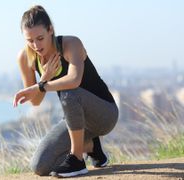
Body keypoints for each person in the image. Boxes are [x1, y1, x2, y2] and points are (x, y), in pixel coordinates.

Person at [13, 5, 119, 178]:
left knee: (70, 92)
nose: (36, 45)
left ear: (50, 30)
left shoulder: (71, 44)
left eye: (40, 38)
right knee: (39, 166)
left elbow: (74, 80)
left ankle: (77, 160)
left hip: (105, 115)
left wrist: (39, 86)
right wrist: (44, 78)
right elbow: (36, 101)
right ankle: (92, 147)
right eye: (30, 41)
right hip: (75, 120)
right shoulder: (26, 57)